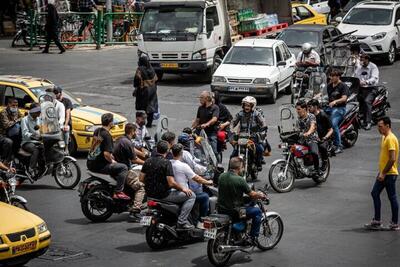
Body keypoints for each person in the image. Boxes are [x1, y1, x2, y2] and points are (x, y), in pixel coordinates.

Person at [139, 140, 196, 229]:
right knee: (191, 196)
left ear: (157, 149)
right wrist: (183, 189)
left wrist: (152, 183)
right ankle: (182, 221)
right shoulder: (166, 163)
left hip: (149, 195)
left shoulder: (148, 161)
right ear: (168, 151)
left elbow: (141, 179)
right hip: (163, 195)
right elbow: (171, 183)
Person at [218, 157, 267, 244]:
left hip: (221, 209)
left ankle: (241, 229)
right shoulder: (240, 180)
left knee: (247, 204)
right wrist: (261, 195)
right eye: (243, 167)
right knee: (257, 212)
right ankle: (253, 237)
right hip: (236, 211)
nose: (243, 169)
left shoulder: (221, 176)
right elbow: (252, 194)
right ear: (239, 168)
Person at [365, 117, 399, 231]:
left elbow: (392, 158)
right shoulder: (384, 137)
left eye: (380, 126)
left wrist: (383, 173)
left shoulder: (390, 139)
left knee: (392, 197)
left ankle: (394, 223)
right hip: (384, 173)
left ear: (387, 126)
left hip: (389, 174)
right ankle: (377, 221)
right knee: (375, 193)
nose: (379, 128)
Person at [87, 113, 130, 200]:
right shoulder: (107, 136)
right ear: (110, 123)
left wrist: (112, 157)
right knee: (123, 167)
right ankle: (118, 191)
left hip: (90, 162)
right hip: (99, 166)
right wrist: (112, 161)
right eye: (113, 121)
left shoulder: (98, 131)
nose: (113, 122)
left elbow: (98, 147)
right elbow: (106, 154)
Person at [170, 144, 213, 224]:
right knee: (205, 196)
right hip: (181, 193)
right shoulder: (183, 166)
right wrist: (208, 182)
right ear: (182, 153)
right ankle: (201, 221)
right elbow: (196, 178)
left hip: (170, 193)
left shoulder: (168, 163)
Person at [113, 123, 145, 219]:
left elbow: (132, 149)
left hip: (116, 167)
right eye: (135, 131)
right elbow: (134, 159)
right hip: (124, 170)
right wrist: (146, 163)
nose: (136, 133)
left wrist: (143, 153)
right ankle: (136, 209)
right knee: (140, 187)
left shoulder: (121, 139)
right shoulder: (127, 142)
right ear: (132, 131)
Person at [230, 96, 269, 170]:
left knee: (260, 149)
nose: (246, 107)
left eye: (248, 105)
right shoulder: (240, 114)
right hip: (241, 137)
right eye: (245, 105)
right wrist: (232, 130)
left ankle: (258, 163)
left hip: (253, 136)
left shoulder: (256, 114)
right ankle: (230, 170)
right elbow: (233, 122)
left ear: (252, 106)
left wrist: (262, 129)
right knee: (233, 155)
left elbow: (263, 123)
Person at [325, 69, 349, 154]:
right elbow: (324, 95)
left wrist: (335, 101)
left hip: (340, 108)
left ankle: (339, 146)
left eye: (332, 76)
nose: (330, 77)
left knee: (333, 124)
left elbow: (344, 98)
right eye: (330, 76)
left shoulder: (343, 86)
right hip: (330, 107)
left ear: (338, 77)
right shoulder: (329, 85)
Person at [355, 54, 379, 130]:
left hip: (371, 88)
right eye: (360, 59)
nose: (361, 61)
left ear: (367, 59)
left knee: (366, 101)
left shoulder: (373, 67)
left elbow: (374, 78)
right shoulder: (359, 67)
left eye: (362, 60)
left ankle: (368, 122)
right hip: (361, 88)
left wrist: (366, 82)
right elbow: (355, 76)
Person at [296, 100, 320, 175]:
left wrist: (308, 133)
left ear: (304, 109)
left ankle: (317, 170)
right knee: (292, 149)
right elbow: (296, 129)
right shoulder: (298, 119)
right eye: (296, 109)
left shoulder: (311, 116)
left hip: (312, 138)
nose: (297, 111)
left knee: (314, 152)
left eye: (299, 109)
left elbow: (312, 126)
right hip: (302, 140)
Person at [21, 104, 45, 178]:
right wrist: (33, 137)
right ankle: (31, 169)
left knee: (45, 148)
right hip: (27, 142)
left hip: (38, 141)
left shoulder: (39, 119)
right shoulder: (24, 120)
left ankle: (42, 168)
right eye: (37, 112)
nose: (39, 113)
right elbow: (25, 133)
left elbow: (44, 127)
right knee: (35, 150)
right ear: (32, 111)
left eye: (39, 111)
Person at [308, 99, 333, 170]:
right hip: (313, 137)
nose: (308, 108)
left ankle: (325, 161)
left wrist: (325, 138)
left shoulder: (323, 115)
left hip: (323, 138)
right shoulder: (309, 116)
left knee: (322, 146)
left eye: (310, 107)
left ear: (315, 107)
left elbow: (331, 130)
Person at [133, 55, 158, 128]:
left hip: (143, 91)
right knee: (151, 106)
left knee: (141, 107)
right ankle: (149, 123)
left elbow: (136, 81)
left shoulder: (140, 69)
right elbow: (156, 79)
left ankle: (141, 123)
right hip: (152, 90)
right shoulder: (151, 68)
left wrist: (136, 87)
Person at [192, 91, 219, 156]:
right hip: (200, 132)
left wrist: (207, 124)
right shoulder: (200, 108)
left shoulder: (215, 107)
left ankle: (217, 164)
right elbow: (197, 120)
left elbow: (214, 119)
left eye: (201, 97)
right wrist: (191, 128)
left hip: (211, 133)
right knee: (194, 146)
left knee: (214, 151)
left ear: (207, 98)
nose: (200, 99)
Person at [0, 97, 23, 162]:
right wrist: (16, 121)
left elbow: (22, 117)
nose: (15, 107)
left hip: (12, 132)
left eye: (16, 105)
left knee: (21, 136)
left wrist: (16, 121)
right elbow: (6, 125)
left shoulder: (16, 110)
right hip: (3, 134)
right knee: (9, 142)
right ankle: (5, 160)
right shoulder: (3, 112)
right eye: (13, 105)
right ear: (8, 104)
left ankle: (16, 156)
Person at [214, 92, 232, 161]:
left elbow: (230, 119)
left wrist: (223, 125)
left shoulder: (222, 107)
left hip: (218, 130)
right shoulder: (204, 107)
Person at [53, 87, 73, 152]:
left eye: (57, 93)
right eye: (54, 93)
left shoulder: (67, 101)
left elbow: (67, 114)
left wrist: (65, 124)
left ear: (60, 93)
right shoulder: (53, 102)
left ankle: (66, 148)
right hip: (55, 122)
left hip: (65, 122)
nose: (55, 94)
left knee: (66, 130)